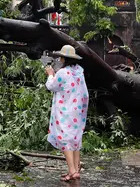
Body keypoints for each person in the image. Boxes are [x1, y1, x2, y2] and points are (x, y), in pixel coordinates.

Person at [44, 44, 89, 182]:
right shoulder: (79, 71)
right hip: (78, 111)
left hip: (65, 111)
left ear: (63, 58)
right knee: (75, 139)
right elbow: (85, 93)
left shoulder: (63, 73)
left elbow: (51, 86)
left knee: (65, 140)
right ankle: (75, 170)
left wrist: (51, 75)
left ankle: (72, 170)